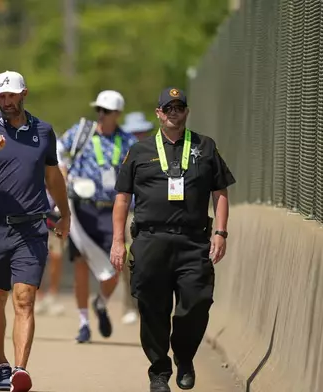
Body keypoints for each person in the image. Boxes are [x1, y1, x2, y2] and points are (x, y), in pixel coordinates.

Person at [111, 87, 235, 392]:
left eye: (179, 107)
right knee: (152, 308)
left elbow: (219, 192)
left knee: (196, 303)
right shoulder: (139, 151)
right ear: (158, 113)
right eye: (168, 108)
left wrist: (220, 232)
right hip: (151, 241)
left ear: (186, 112)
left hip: (194, 242)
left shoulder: (205, 147)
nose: (173, 112)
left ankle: (184, 356)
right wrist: (117, 241)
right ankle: (159, 371)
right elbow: (122, 197)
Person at [0, 70, 70, 392]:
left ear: (24, 93)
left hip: (32, 228)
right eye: (1, 97)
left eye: (11, 96)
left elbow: (53, 178)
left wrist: (64, 213)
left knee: (24, 299)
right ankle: (1, 364)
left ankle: (20, 370)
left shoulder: (44, 131)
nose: (6, 102)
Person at [57, 90, 137, 343]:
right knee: (80, 265)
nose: (101, 115)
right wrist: (63, 176)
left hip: (112, 209)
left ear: (117, 114)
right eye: (99, 110)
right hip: (82, 208)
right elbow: (58, 149)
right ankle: (83, 322)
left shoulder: (127, 141)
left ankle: (101, 303)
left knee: (115, 265)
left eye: (106, 111)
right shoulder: (83, 131)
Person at [119, 111, 155, 325]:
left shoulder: (156, 152)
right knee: (130, 259)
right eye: (134, 132)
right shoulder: (123, 154)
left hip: (154, 212)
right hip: (131, 213)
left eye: (142, 132)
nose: (138, 136)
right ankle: (131, 305)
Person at [34, 191, 65, 316]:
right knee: (38, 260)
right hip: (38, 222)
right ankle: (38, 297)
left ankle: (52, 296)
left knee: (56, 259)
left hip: (56, 222)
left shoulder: (59, 172)